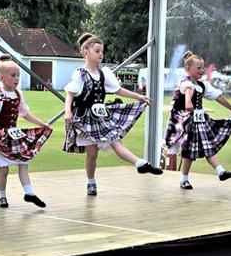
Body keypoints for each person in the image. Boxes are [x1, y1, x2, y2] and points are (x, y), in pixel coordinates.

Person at [63, 33, 162, 197]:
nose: (101, 54)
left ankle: (140, 163)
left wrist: (138, 96)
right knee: (92, 153)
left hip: (101, 118)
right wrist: (68, 110)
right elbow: (70, 94)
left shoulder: (104, 73)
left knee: (116, 142)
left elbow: (117, 89)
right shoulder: (80, 74)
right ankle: (91, 183)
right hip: (85, 119)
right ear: (86, 53)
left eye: (102, 51)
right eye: (97, 51)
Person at [0, 54, 53, 208]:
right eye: (13, 75)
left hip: (14, 134)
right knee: (4, 169)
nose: (17, 78)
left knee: (23, 162)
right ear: (1, 77)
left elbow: (24, 113)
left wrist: (42, 124)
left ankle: (29, 192)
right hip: (2, 137)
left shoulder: (18, 94)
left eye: (18, 75)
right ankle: (2, 196)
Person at [163, 51, 231, 190]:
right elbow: (188, 95)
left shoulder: (203, 85)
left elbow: (218, 96)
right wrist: (189, 104)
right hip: (187, 123)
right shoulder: (186, 84)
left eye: (202, 68)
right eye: (198, 68)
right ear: (188, 69)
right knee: (188, 151)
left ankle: (220, 171)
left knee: (207, 146)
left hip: (199, 121)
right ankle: (184, 179)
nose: (202, 70)